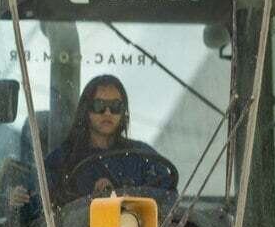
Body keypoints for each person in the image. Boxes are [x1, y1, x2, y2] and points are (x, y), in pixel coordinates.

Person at [10, 74, 174, 212]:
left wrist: (124, 194)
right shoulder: (63, 160)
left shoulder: (142, 157)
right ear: (86, 110)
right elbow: (35, 208)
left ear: (123, 112)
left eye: (115, 106)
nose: (108, 112)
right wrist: (18, 199)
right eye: (99, 105)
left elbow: (169, 200)